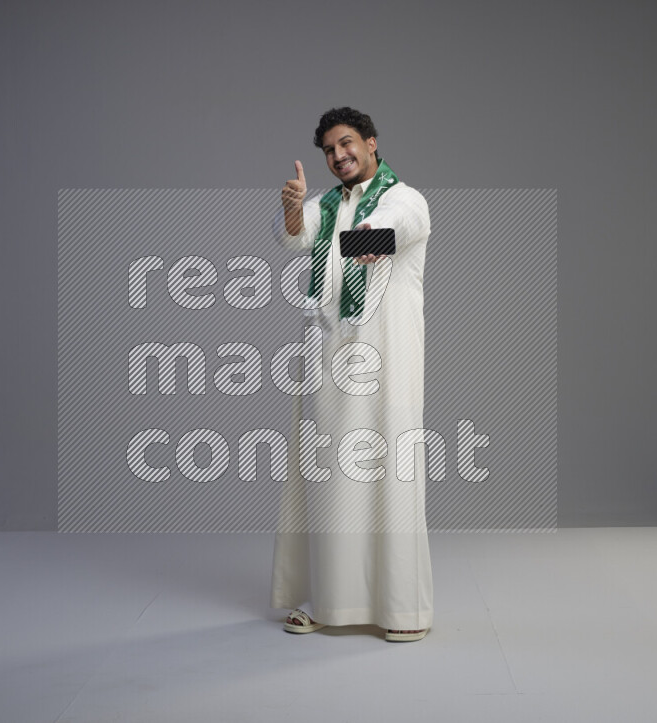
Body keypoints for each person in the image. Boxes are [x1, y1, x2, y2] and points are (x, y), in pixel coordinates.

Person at [270, 107, 433, 642]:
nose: (338, 156)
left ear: (371, 143)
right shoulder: (321, 205)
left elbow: (389, 231)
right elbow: (292, 237)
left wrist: (365, 238)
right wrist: (294, 210)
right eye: (328, 151)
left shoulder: (405, 198)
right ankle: (328, 602)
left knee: (390, 478)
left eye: (346, 144)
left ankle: (401, 610)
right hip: (327, 364)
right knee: (328, 482)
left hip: (387, 362)